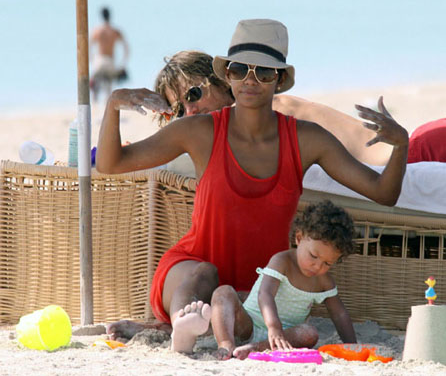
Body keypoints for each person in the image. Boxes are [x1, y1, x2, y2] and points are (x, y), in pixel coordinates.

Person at [96, 18, 408, 353]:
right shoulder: (199, 130)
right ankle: (182, 332)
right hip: (193, 265)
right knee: (204, 274)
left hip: (263, 284)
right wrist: (114, 103)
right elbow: (110, 163)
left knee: (239, 305)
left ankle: (182, 325)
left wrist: (401, 145)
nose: (250, 79)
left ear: (280, 79)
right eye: (240, 69)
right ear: (227, 74)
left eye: (264, 72)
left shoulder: (306, 139)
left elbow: (383, 193)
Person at [152, 51, 393, 176]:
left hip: (402, 157)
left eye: (193, 95)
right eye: (179, 110)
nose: (191, 111)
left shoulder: (259, 113)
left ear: (221, 81)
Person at [210, 200, 357, 360]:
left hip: (287, 337)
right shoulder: (282, 261)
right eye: (313, 256)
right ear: (299, 238)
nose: (317, 266)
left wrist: (353, 345)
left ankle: (255, 348)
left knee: (309, 333)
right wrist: (273, 327)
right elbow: (265, 294)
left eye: (327, 263)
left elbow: (339, 315)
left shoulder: (324, 281)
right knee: (223, 292)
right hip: (249, 324)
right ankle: (226, 344)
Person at [90, 6, 130, 102]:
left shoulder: (97, 31)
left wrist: (91, 61)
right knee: (108, 88)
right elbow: (126, 48)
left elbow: (89, 47)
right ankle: (106, 108)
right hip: (110, 62)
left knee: (94, 83)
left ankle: (94, 105)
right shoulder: (115, 31)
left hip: (99, 61)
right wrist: (123, 63)